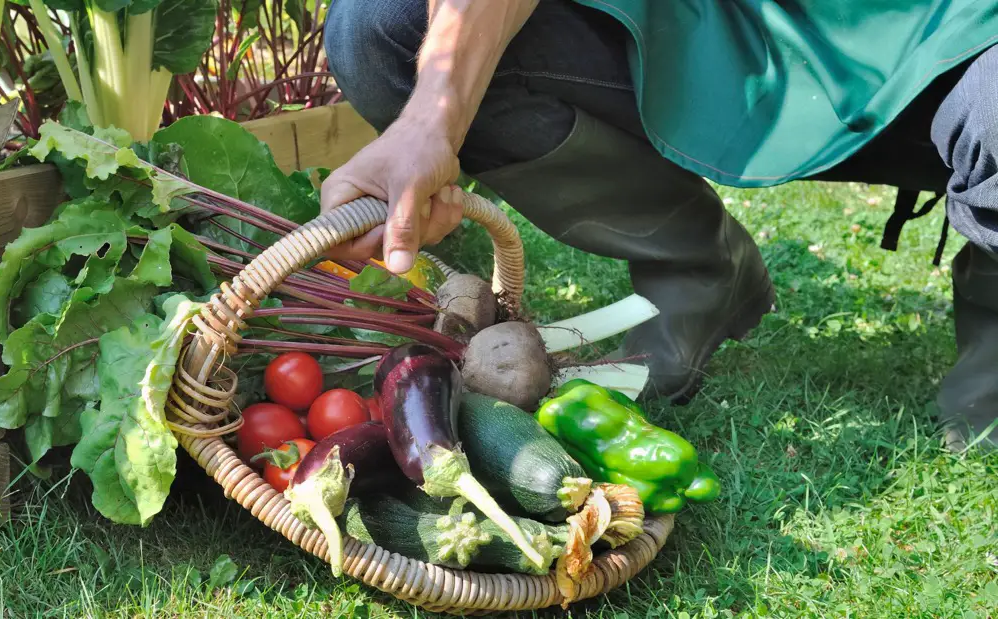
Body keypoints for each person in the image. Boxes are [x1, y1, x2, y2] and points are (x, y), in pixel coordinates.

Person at [318, 0, 998, 452]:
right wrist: (431, 119)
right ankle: (701, 272)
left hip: (947, 38)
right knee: (386, 26)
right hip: (713, 27)